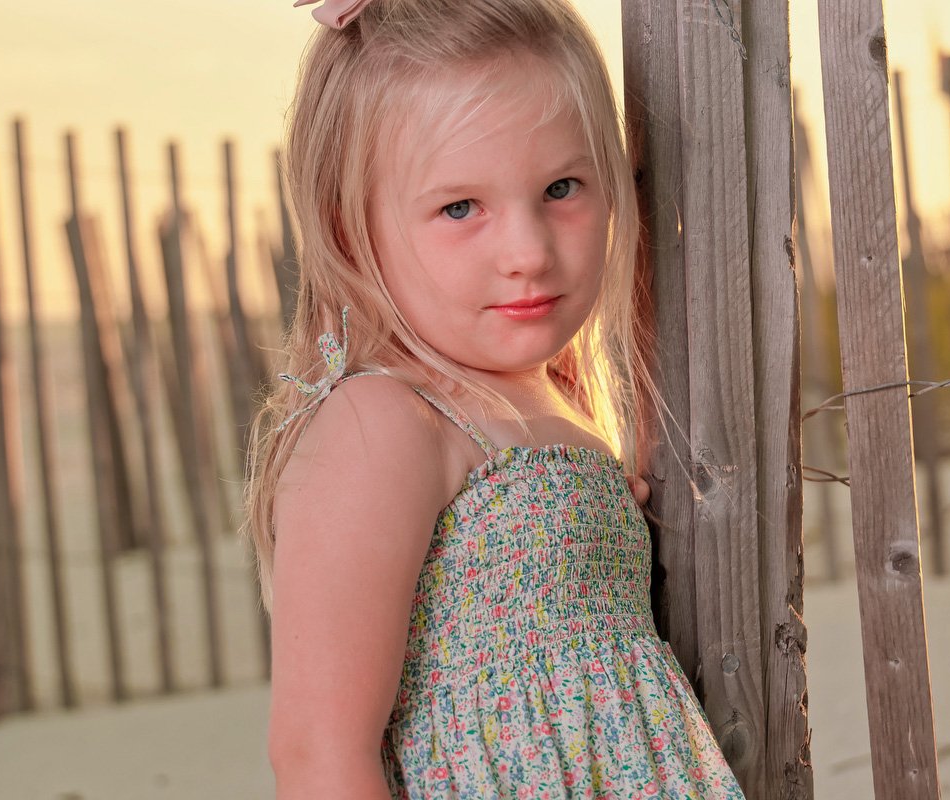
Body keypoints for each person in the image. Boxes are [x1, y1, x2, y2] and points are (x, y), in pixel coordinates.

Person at [245, 0, 747, 796]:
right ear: (351, 231)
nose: (528, 252)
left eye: (561, 187)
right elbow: (317, 753)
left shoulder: (555, 407)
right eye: (459, 208)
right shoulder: (384, 423)